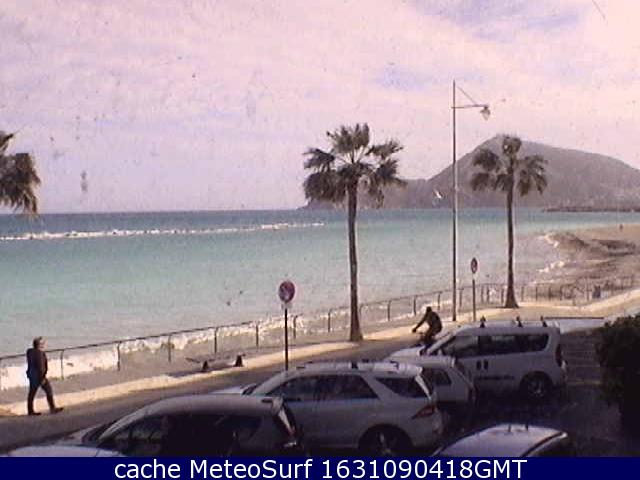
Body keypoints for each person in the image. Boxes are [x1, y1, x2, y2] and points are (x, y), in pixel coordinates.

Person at [26, 337, 63, 416]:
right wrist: (42, 378)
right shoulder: (40, 354)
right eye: (42, 343)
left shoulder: (29, 352)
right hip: (39, 376)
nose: (44, 345)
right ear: (39, 345)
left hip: (32, 375)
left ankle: (30, 411)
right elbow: (41, 367)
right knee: (48, 390)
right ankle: (52, 408)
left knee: (32, 393)